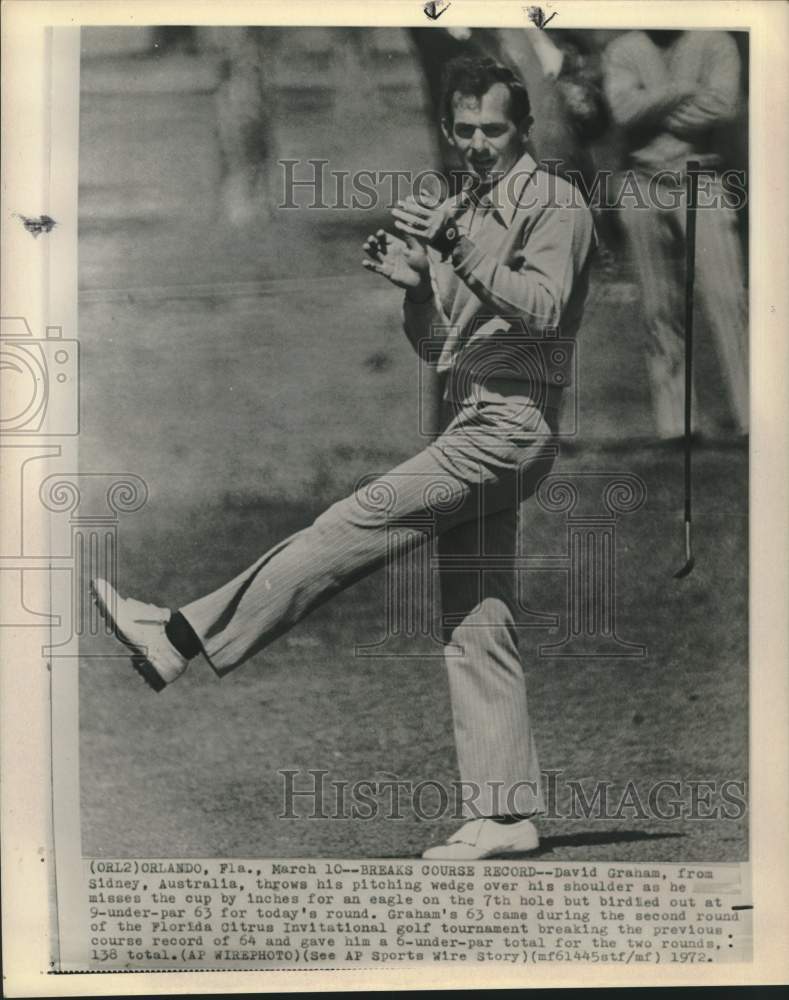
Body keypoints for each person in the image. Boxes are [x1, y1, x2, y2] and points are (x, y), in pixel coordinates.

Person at [92, 56, 595, 860]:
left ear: (523, 129)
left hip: (509, 429)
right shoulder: (466, 207)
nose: (476, 145)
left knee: (349, 520)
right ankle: (505, 816)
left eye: (493, 130)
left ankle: (178, 635)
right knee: (475, 617)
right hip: (473, 419)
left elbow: (540, 311)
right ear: (447, 129)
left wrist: (456, 248)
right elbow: (440, 351)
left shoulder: (552, 203)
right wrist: (414, 288)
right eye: (462, 130)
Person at [602, 30, 748, 441]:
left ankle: (752, 414)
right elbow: (623, 110)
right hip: (641, 180)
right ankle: (677, 423)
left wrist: (653, 103)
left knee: (727, 295)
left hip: (703, 177)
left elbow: (723, 105)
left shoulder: (715, 42)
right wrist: (686, 91)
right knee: (658, 305)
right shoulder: (625, 47)